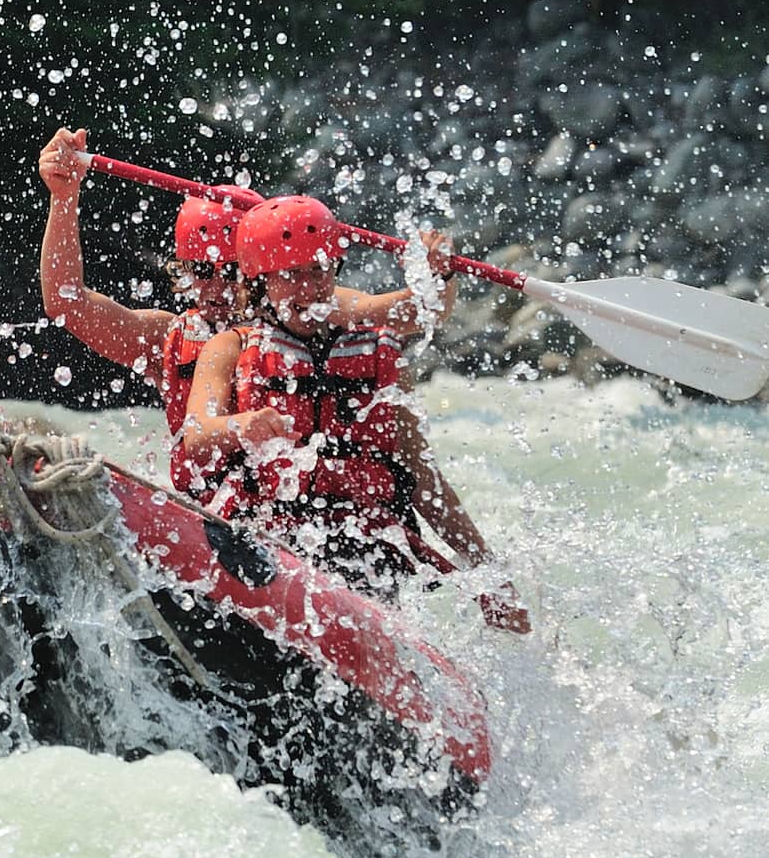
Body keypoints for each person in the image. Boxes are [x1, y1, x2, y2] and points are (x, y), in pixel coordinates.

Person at [182, 194, 530, 631]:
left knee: (366, 563)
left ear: (334, 270)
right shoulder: (229, 347)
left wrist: (489, 575)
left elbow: (424, 483)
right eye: (290, 276)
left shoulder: (379, 354)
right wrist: (239, 426)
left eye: (317, 272)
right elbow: (196, 434)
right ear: (259, 281)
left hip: (365, 548)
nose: (307, 289)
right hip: (266, 541)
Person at [37, 126, 429, 493]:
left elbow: (409, 312)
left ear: (261, 272)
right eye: (203, 270)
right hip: (218, 520)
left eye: (233, 271)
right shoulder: (168, 338)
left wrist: (434, 273)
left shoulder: (314, 307)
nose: (217, 287)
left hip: (309, 516)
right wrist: (64, 196)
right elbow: (67, 304)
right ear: (185, 272)